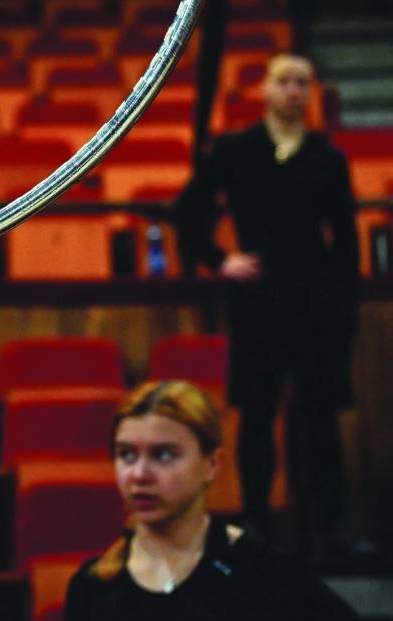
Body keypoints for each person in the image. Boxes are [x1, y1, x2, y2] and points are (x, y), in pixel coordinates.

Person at [171, 52, 365, 556]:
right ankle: (255, 524)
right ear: (265, 90)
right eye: (284, 81)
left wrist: (346, 308)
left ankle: (332, 529)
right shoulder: (237, 150)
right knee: (256, 419)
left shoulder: (328, 157)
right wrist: (220, 259)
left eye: (303, 82)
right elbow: (188, 212)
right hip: (258, 304)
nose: (294, 91)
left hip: (316, 304)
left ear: (311, 92)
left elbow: (346, 241)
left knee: (321, 419)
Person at [62, 381, 387, 621]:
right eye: (126, 455)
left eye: (163, 455)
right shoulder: (94, 586)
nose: (139, 475)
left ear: (212, 464)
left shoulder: (255, 566)